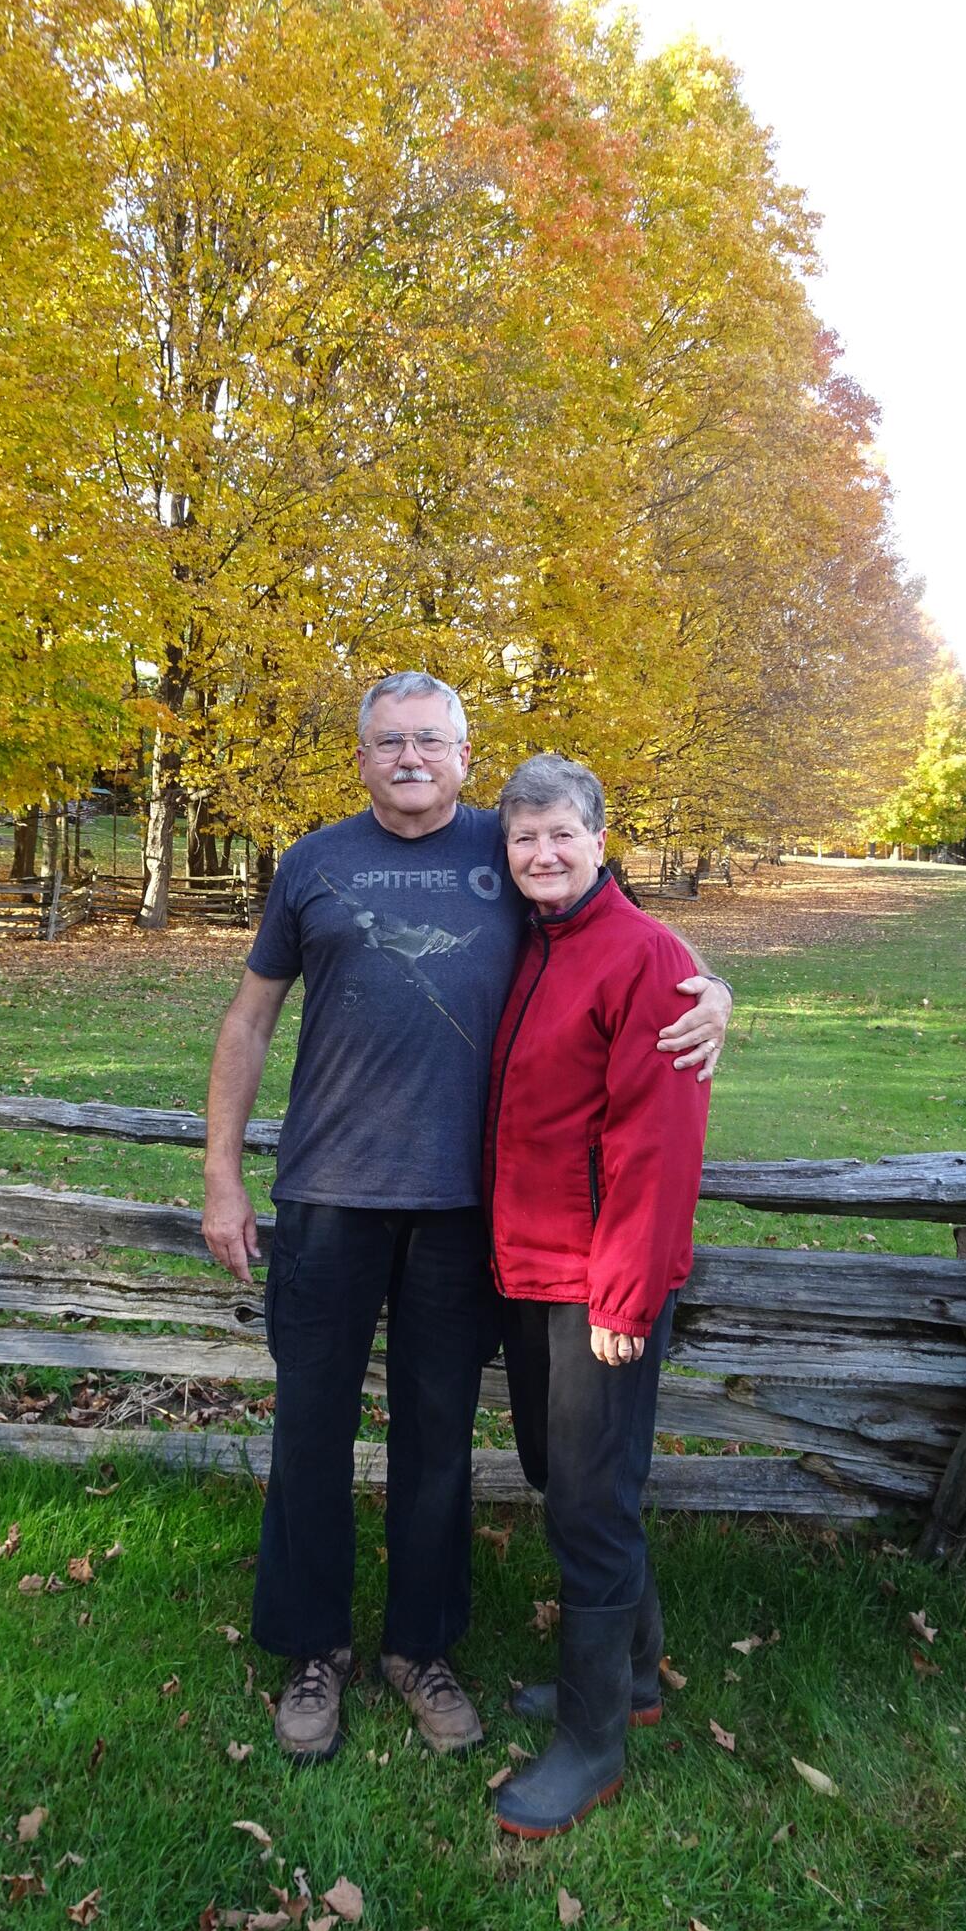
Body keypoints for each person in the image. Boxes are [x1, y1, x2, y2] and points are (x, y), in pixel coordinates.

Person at [200, 674, 731, 1764]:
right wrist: (221, 1174)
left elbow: (621, 926)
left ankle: (422, 1647)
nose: (410, 757)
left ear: (463, 752)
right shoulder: (313, 862)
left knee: (437, 1436)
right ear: (362, 756)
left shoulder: (510, 841)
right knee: (311, 1429)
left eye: (430, 740)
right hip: (328, 1192)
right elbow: (249, 1021)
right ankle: (312, 1650)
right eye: (389, 741)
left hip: (460, 1212)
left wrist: (714, 989)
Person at [483, 753, 710, 1837]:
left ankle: (592, 1740)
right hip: (527, 1265)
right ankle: (635, 1676)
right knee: (565, 1475)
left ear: (599, 839)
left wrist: (623, 1298)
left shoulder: (645, 957)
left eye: (561, 833)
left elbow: (657, 1148)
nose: (542, 853)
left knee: (589, 1501)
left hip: (595, 1284)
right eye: (524, 837)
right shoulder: (532, 940)